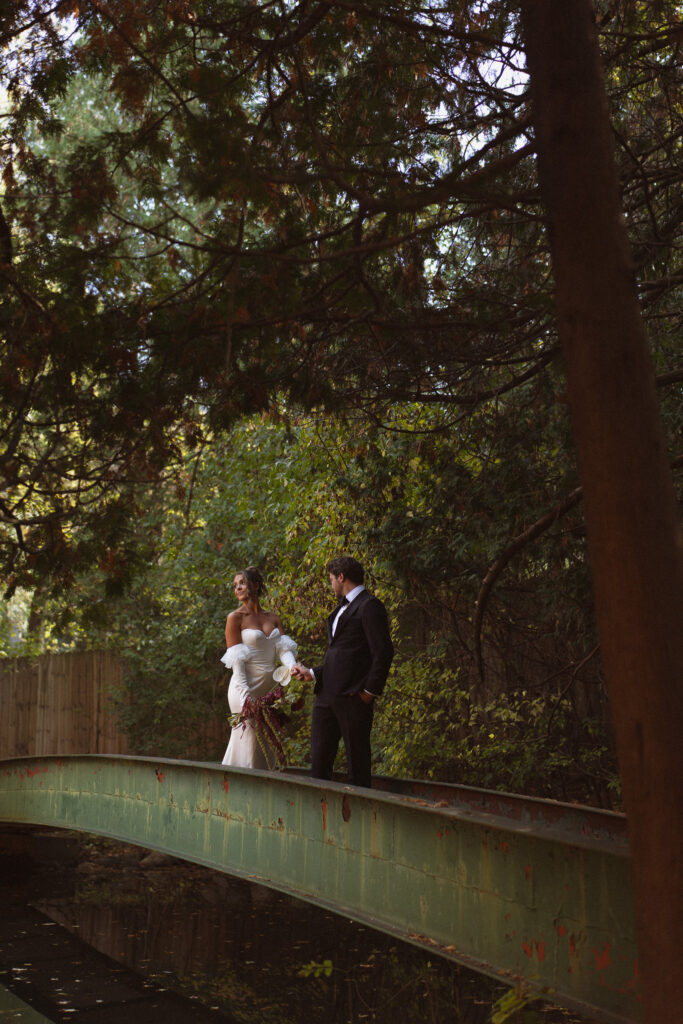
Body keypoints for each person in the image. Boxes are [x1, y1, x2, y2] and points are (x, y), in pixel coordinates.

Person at [291, 555, 393, 788]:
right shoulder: (340, 608)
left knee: (357, 764)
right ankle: (320, 808)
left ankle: (360, 810)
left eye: (331, 580)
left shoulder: (370, 606)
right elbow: (343, 656)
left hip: (353, 697)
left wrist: (369, 692)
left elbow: (383, 652)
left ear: (341, 576)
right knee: (319, 764)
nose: (331, 585)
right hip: (325, 696)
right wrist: (312, 673)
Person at [221, 567, 298, 769]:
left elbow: (283, 650)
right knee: (249, 738)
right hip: (244, 686)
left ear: (255, 586)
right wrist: (246, 697)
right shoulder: (235, 618)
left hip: (269, 688)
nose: (237, 588)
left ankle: (267, 780)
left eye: (242, 583)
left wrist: (293, 667)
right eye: (235, 585)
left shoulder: (273, 617)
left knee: (266, 741)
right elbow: (237, 663)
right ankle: (238, 780)